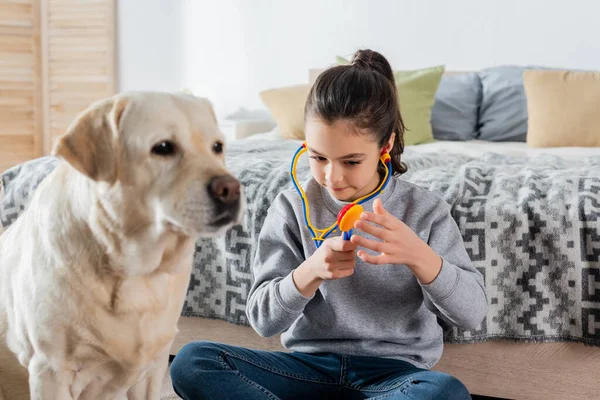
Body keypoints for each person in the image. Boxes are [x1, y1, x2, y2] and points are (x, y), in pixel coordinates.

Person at [170, 49, 487, 400]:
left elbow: (472, 314)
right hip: (307, 369)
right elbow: (264, 320)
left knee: (444, 393)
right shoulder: (292, 207)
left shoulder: (424, 210)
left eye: (351, 161)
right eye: (318, 158)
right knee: (192, 362)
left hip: (395, 376)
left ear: (386, 146)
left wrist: (420, 257)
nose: (332, 177)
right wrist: (311, 271)